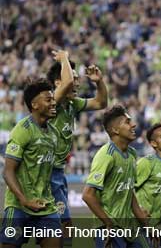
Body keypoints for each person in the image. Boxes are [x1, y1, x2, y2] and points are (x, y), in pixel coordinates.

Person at [47, 50, 108, 245]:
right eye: (74, 78)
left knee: (63, 228)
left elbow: (101, 102)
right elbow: (65, 84)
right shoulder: (50, 102)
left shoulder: (72, 104)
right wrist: (64, 57)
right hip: (44, 173)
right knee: (61, 228)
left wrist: (98, 82)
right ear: (59, 82)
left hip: (58, 172)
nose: (77, 83)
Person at [0, 79, 61, 247]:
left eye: (53, 99)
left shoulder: (54, 134)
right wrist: (24, 200)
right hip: (19, 206)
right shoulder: (22, 130)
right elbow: (8, 171)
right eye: (48, 100)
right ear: (34, 105)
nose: (53, 102)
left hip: (46, 207)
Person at [82, 105, 152, 248]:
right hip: (109, 229)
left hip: (129, 227)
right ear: (115, 130)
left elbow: (128, 189)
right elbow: (88, 195)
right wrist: (108, 223)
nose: (133, 125)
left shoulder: (132, 154)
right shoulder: (106, 155)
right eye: (127, 122)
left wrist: (143, 219)